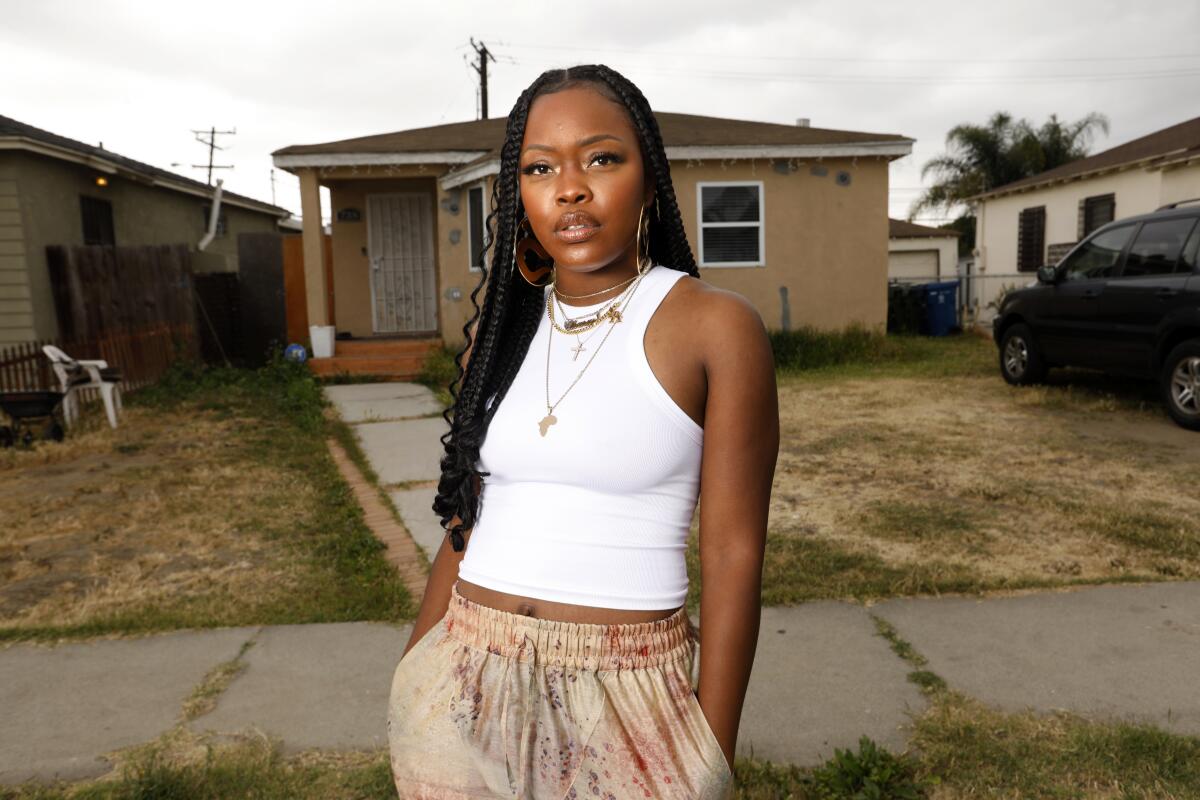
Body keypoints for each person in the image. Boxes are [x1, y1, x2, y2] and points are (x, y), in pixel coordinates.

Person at [387, 63, 778, 799]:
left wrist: (710, 753)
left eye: (601, 158)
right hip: (464, 672)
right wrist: (417, 667)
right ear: (520, 194)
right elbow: (468, 517)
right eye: (540, 168)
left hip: (628, 692)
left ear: (649, 176)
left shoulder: (714, 327)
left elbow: (733, 551)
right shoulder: (499, 335)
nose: (570, 187)